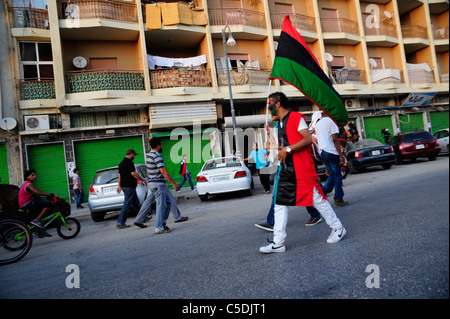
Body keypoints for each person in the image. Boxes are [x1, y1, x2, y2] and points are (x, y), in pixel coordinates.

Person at [259, 92, 346, 254]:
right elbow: (281, 147)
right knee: (280, 204)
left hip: (301, 168)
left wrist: (289, 149)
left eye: (269, 103)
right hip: (286, 168)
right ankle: (278, 242)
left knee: (316, 199)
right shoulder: (281, 123)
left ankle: (338, 227)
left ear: (278, 104)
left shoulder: (296, 118)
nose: (268, 107)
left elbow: (306, 140)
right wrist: (270, 134)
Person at [146, 137, 180, 234]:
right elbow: (163, 171)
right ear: (158, 145)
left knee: (169, 202)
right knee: (160, 206)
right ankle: (159, 228)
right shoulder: (157, 156)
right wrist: (173, 183)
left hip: (153, 184)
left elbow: (148, 171)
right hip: (158, 185)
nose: (162, 146)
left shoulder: (148, 155)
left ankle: (163, 222)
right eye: (161, 144)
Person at [315, 113, 349, 207]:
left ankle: (324, 190)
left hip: (323, 152)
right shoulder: (331, 122)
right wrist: (340, 154)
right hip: (331, 152)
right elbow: (335, 139)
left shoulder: (318, 123)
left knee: (332, 174)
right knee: (337, 175)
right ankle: (338, 199)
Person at [116, 149, 147, 229]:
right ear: (131, 154)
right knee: (127, 204)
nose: (134, 157)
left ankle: (143, 217)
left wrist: (119, 186)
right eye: (134, 155)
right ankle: (120, 222)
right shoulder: (129, 163)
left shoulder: (121, 163)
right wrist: (143, 180)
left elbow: (119, 175)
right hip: (129, 186)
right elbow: (133, 173)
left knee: (135, 202)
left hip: (125, 186)